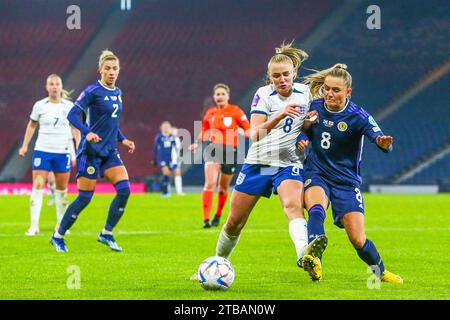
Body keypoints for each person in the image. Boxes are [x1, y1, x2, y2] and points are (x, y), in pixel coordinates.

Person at [192, 42, 325, 280]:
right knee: (234, 222)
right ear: (270, 78)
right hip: (259, 163)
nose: (282, 79)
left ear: (294, 72)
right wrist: (279, 114)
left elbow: (305, 126)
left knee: (293, 207)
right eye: (276, 76)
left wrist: (307, 129)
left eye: (285, 74)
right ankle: (216, 265)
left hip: (288, 163)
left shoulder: (305, 93)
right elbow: (254, 133)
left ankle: (304, 256)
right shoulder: (263, 95)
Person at [297, 63, 403, 283]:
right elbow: (303, 132)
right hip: (317, 172)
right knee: (316, 209)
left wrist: (384, 144)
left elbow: (382, 140)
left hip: (346, 181)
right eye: (326, 88)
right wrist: (303, 138)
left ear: (348, 92)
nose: (329, 94)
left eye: (336, 90)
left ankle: (380, 272)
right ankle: (314, 261)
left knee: (357, 238)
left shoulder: (358, 116)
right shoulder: (314, 107)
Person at [50, 50, 135, 253]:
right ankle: (58, 235)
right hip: (90, 152)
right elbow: (72, 115)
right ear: (100, 70)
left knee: (124, 191)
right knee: (85, 198)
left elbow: (110, 123)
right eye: (107, 69)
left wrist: (124, 139)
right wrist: (87, 132)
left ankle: (106, 233)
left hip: (110, 151)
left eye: (115, 68)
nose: (111, 72)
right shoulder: (92, 91)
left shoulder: (118, 92)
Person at [19, 74, 80, 236]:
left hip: (62, 152)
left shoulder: (69, 106)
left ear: (61, 87)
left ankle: (61, 227)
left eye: (57, 84)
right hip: (43, 150)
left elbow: (75, 128)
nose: (54, 86)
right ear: (47, 87)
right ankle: (33, 226)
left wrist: (79, 146)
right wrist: (25, 145)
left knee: (62, 190)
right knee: (38, 185)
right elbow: (31, 125)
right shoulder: (40, 106)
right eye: (51, 84)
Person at [189, 84, 251, 228]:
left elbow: (248, 130)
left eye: (223, 94)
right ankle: (206, 219)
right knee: (210, 184)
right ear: (214, 97)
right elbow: (204, 130)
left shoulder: (235, 111)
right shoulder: (210, 113)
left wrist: (243, 133)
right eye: (217, 94)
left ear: (228, 96)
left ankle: (218, 214)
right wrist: (197, 143)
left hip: (231, 152)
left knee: (223, 188)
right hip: (213, 149)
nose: (220, 96)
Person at [153, 121, 184, 197]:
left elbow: (177, 148)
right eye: (164, 126)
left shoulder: (172, 137)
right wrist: (154, 159)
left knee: (177, 172)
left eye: (167, 126)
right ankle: (166, 192)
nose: (166, 127)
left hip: (171, 159)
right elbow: (155, 149)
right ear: (161, 128)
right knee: (166, 173)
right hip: (162, 158)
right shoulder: (159, 137)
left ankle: (179, 192)